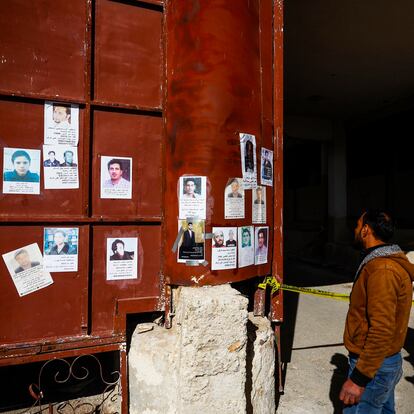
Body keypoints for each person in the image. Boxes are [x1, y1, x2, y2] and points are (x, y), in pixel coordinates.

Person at [339, 209, 414, 413]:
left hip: (374, 365)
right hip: (381, 362)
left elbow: (381, 330)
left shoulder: (383, 270)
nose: (354, 230)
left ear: (365, 230)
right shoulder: (380, 262)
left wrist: (359, 379)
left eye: (356, 225)